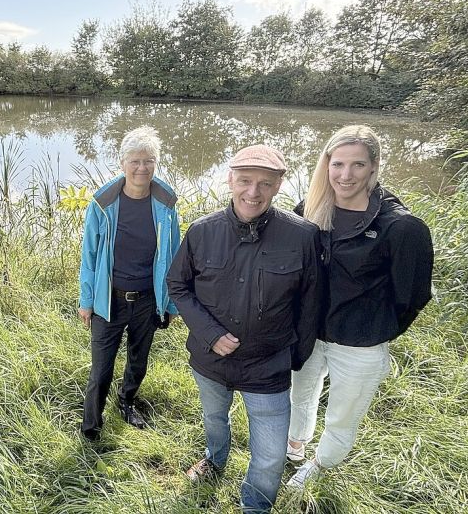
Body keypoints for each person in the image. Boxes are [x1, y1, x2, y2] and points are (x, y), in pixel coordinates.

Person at [167, 144, 322, 513]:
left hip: (268, 366)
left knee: (270, 456)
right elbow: (178, 285)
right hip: (209, 360)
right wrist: (209, 333)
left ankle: (254, 506)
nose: (253, 192)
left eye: (264, 184)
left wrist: (293, 356)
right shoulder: (202, 231)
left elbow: (311, 303)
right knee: (214, 418)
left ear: (278, 186)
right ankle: (215, 459)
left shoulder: (303, 236)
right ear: (230, 179)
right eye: (245, 181)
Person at [285, 125, 434, 488]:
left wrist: (373, 329)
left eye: (357, 165)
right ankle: (294, 447)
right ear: (326, 165)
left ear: (374, 166)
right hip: (308, 333)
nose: (345, 175)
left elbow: (412, 297)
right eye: (337, 164)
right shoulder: (309, 210)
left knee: (342, 414)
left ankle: (319, 468)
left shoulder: (401, 227)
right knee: (298, 395)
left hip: (360, 342)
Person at [79, 126, 181, 441]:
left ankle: (126, 400)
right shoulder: (102, 202)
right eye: (135, 161)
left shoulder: (166, 202)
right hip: (108, 298)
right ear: (122, 163)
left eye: (148, 161)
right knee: (101, 369)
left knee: (139, 359)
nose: (142, 168)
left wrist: (171, 302)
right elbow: (89, 255)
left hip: (148, 298)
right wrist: (86, 300)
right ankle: (91, 426)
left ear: (156, 163)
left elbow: (175, 254)